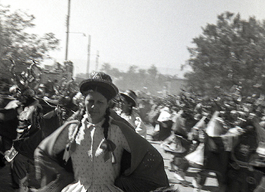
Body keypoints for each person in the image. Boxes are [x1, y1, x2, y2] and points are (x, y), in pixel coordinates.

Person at [33, 72, 169, 192]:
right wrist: (63, 172)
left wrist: (121, 177)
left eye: (100, 101)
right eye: (91, 100)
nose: (94, 106)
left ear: (108, 101)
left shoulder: (119, 126)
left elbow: (143, 153)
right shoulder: (74, 124)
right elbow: (48, 150)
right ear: (85, 99)